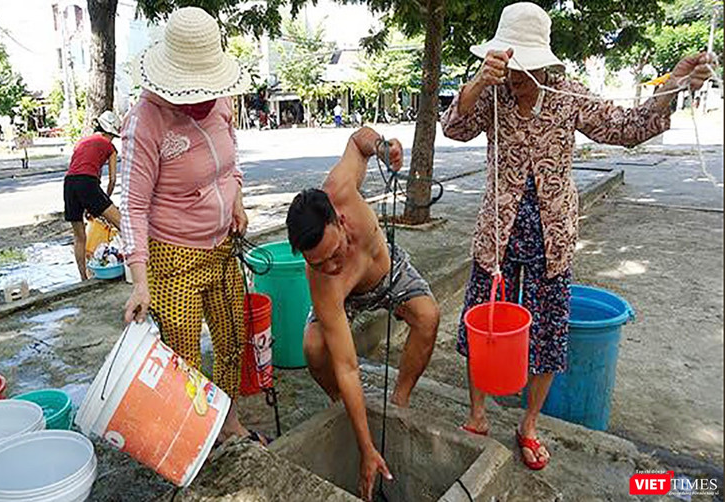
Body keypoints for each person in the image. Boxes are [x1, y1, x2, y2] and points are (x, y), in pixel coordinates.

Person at [440, 2, 718, 471]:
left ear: (542, 62)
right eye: (507, 63)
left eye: (522, 66)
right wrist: (476, 84)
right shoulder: (491, 94)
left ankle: (529, 424)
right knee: (482, 324)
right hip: (497, 233)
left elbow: (628, 128)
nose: (514, 75)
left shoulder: (568, 94)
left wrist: (672, 85)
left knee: (547, 333)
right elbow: (454, 127)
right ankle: (477, 413)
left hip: (552, 236)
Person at [120, 7, 264, 447]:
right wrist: (139, 283)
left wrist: (236, 201)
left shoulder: (221, 103)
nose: (202, 98)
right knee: (184, 357)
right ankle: (196, 438)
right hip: (172, 258)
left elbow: (230, 162)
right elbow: (132, 206)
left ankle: (229, 421)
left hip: (222, 247)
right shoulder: (146, 120)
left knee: (232, 338)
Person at [286, 126, 440, 502]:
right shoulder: (324, 282)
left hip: (387, 272)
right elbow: (348, 366)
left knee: (428, 316)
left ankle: (400, 400)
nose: (331, 266)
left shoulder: (340, 188)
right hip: (347, 299)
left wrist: (383, 147)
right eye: (318, 263)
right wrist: (366, 448)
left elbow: (359, 141)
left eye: (334, 253)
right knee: (313, 347)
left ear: (340, 221)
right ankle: (342, 406)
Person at [63, 110, 122, 281]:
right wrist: (106, 201)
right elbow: (112, 179)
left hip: (69, 184)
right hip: (87, 182)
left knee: (79, 236)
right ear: (110, 133)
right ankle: (138, 267)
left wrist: (93, 206)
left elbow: (81, 169)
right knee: (121, 223)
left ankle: (83, 278)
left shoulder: (81, 142)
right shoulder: (110, 147)